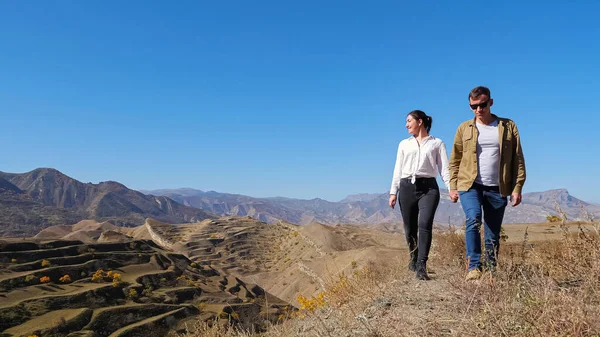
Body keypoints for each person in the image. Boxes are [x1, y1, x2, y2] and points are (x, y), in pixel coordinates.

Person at [448, 86, 526, 280]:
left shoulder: (508, 126)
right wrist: (452, 186)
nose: (478, 110)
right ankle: (473, 267)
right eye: (473, 106)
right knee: (473, 219)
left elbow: (518, 158)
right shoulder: (463, 128)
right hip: (469, 184)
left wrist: (517, 187)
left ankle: (491, 269)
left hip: (498, 187)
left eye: (482, 105)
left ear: (490, 102)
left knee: (492, 233)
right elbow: (455, 159)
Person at [389, 110, 450, 280]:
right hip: (407, 187)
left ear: (420, 121)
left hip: (429, 188)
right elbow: (397, 169)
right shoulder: (404, 144)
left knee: (425, 224)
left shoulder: (437, 143)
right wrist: (393, 192)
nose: (406, 124)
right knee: (410, 229)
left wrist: (451, 188)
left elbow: (444, 169)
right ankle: (414, 257)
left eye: (409, 121)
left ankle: (422, 266)